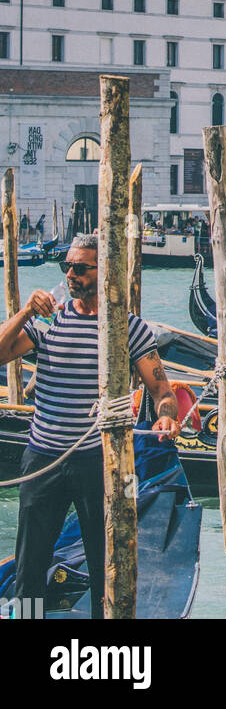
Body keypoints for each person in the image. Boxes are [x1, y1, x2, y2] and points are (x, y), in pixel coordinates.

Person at [0, 234, 181, 618]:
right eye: (67, 266)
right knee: (31, 564)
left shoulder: (128, 329)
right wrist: (24, 313)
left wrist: (167, 415)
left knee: (105, 561)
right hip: (43, 458)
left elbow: (162, 390)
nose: (70, 274)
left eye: (81, 268)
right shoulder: (49, 321)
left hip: (98, 461)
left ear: (105, 274)